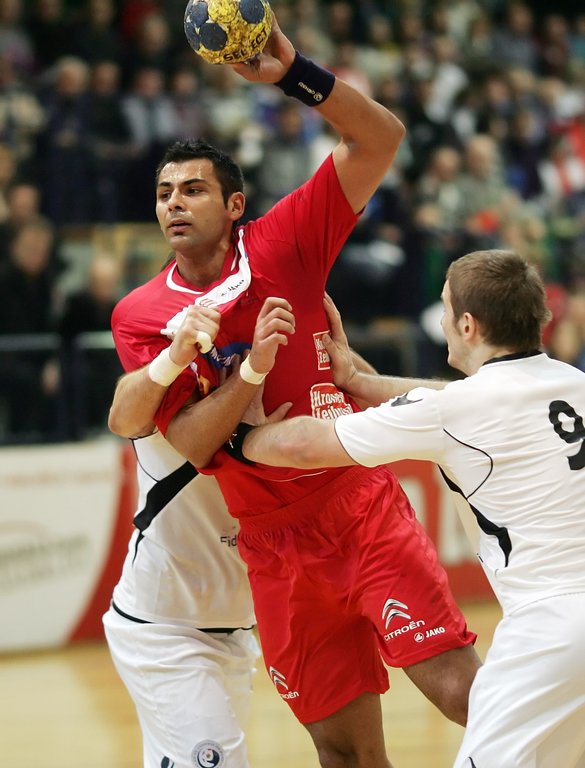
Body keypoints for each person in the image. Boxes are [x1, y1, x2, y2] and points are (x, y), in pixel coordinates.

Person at [107, 14, 480, 768]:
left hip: (355, 506)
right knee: (342, 752)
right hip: (271, 547)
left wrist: (292, 74)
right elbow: (188, 442)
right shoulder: (142, 315)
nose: (174, 202)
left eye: (193, 190)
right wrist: (247, 375)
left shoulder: (283, 242)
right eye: (164, 192)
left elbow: (380, 139)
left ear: (234, 206)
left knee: (460, 694)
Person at [241, 250, 585, 768]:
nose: (441, 321)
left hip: (551, 631)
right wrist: (360, 381)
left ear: (467, 325)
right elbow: (460, 399)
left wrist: (239, 435)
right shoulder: (572, 383)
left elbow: (302, 446)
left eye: (445, 308)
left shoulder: (453, 410)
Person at [103, 296, 296, 768]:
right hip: (163, 628)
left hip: (235, 631)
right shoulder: (167, 402)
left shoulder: (262, 403)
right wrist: (174, 355)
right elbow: (121, 415)